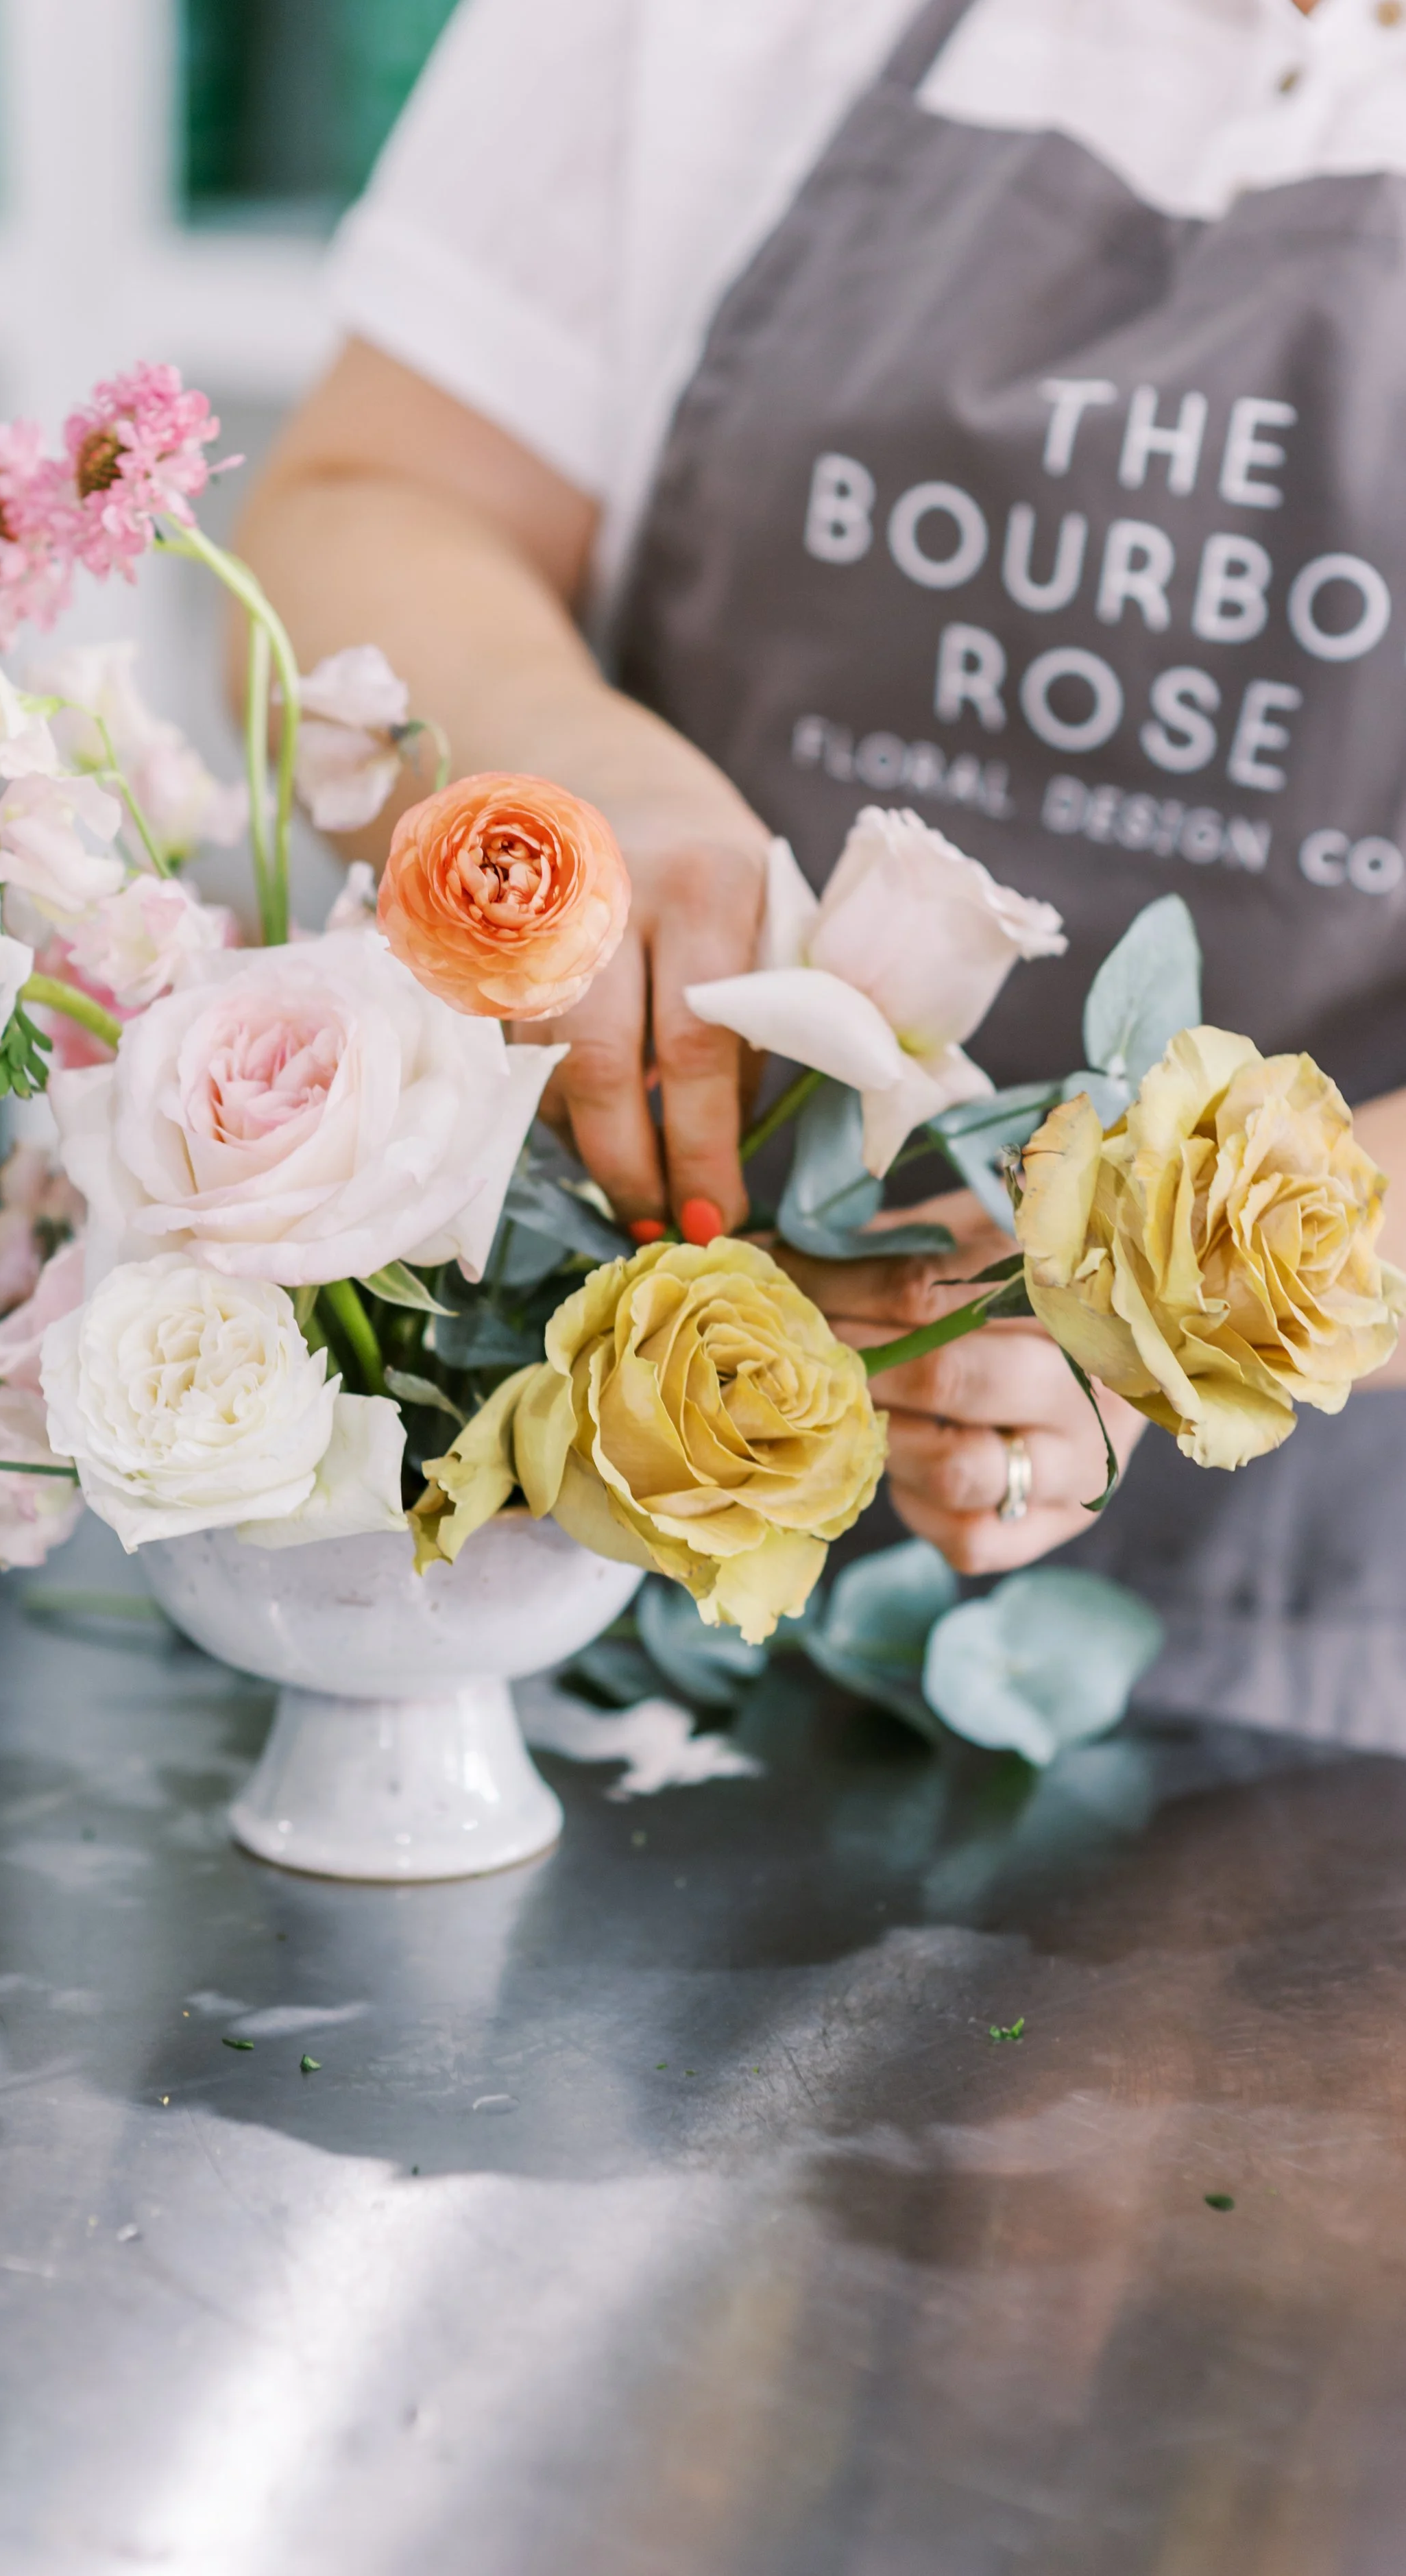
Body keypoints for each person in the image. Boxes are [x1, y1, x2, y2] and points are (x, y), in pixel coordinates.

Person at [238, 0, 1406, 1741]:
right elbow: (370, 496)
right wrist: (577, 772)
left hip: (1342, 1687)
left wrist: (1178, 1283)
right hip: (590, 1576)